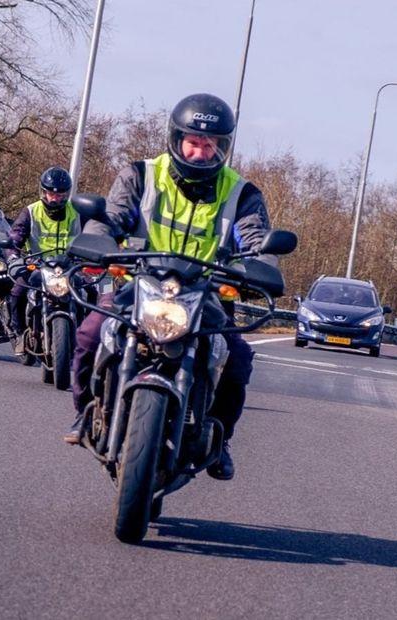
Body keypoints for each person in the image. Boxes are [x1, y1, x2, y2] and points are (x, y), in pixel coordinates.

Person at [65, 93, 277, 482]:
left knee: (239, 359)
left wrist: (260, 266)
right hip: (137, 283)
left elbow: (256, 241)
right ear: (176, 139)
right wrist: (98, 241)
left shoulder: (241, 194)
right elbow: (111, 218)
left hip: (207, 295)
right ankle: (85, 412)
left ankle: (220, 438)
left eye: (210, 145)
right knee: (89, 332)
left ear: (223, 147)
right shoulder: (141, 175)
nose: (200, 153)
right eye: (193, 143)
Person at [5, 166, 82, 356]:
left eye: (61, 195)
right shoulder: (31, 211)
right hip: (37, 266)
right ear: (43, 192)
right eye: (51, 194)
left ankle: (85, 340)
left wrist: (96, 255)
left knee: (89, 291)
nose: (55, 198)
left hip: (69, 267)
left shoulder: (78, 212)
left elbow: (93, 234)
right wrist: (13, 256)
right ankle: (20, 333)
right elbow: (15, 237)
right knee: (19, 289)